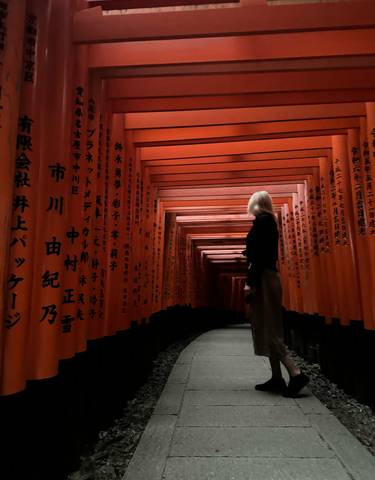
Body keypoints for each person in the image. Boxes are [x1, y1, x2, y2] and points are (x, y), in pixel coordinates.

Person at [243, 191, 309, 397]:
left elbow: (259, 256)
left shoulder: (262, 221)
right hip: (267, 276)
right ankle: (277, 378)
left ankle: (295, 373)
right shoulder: (268, 222)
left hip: (264, 277)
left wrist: (249, 282)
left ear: (256, 203)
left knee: (269, 325)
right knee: (265, 323)